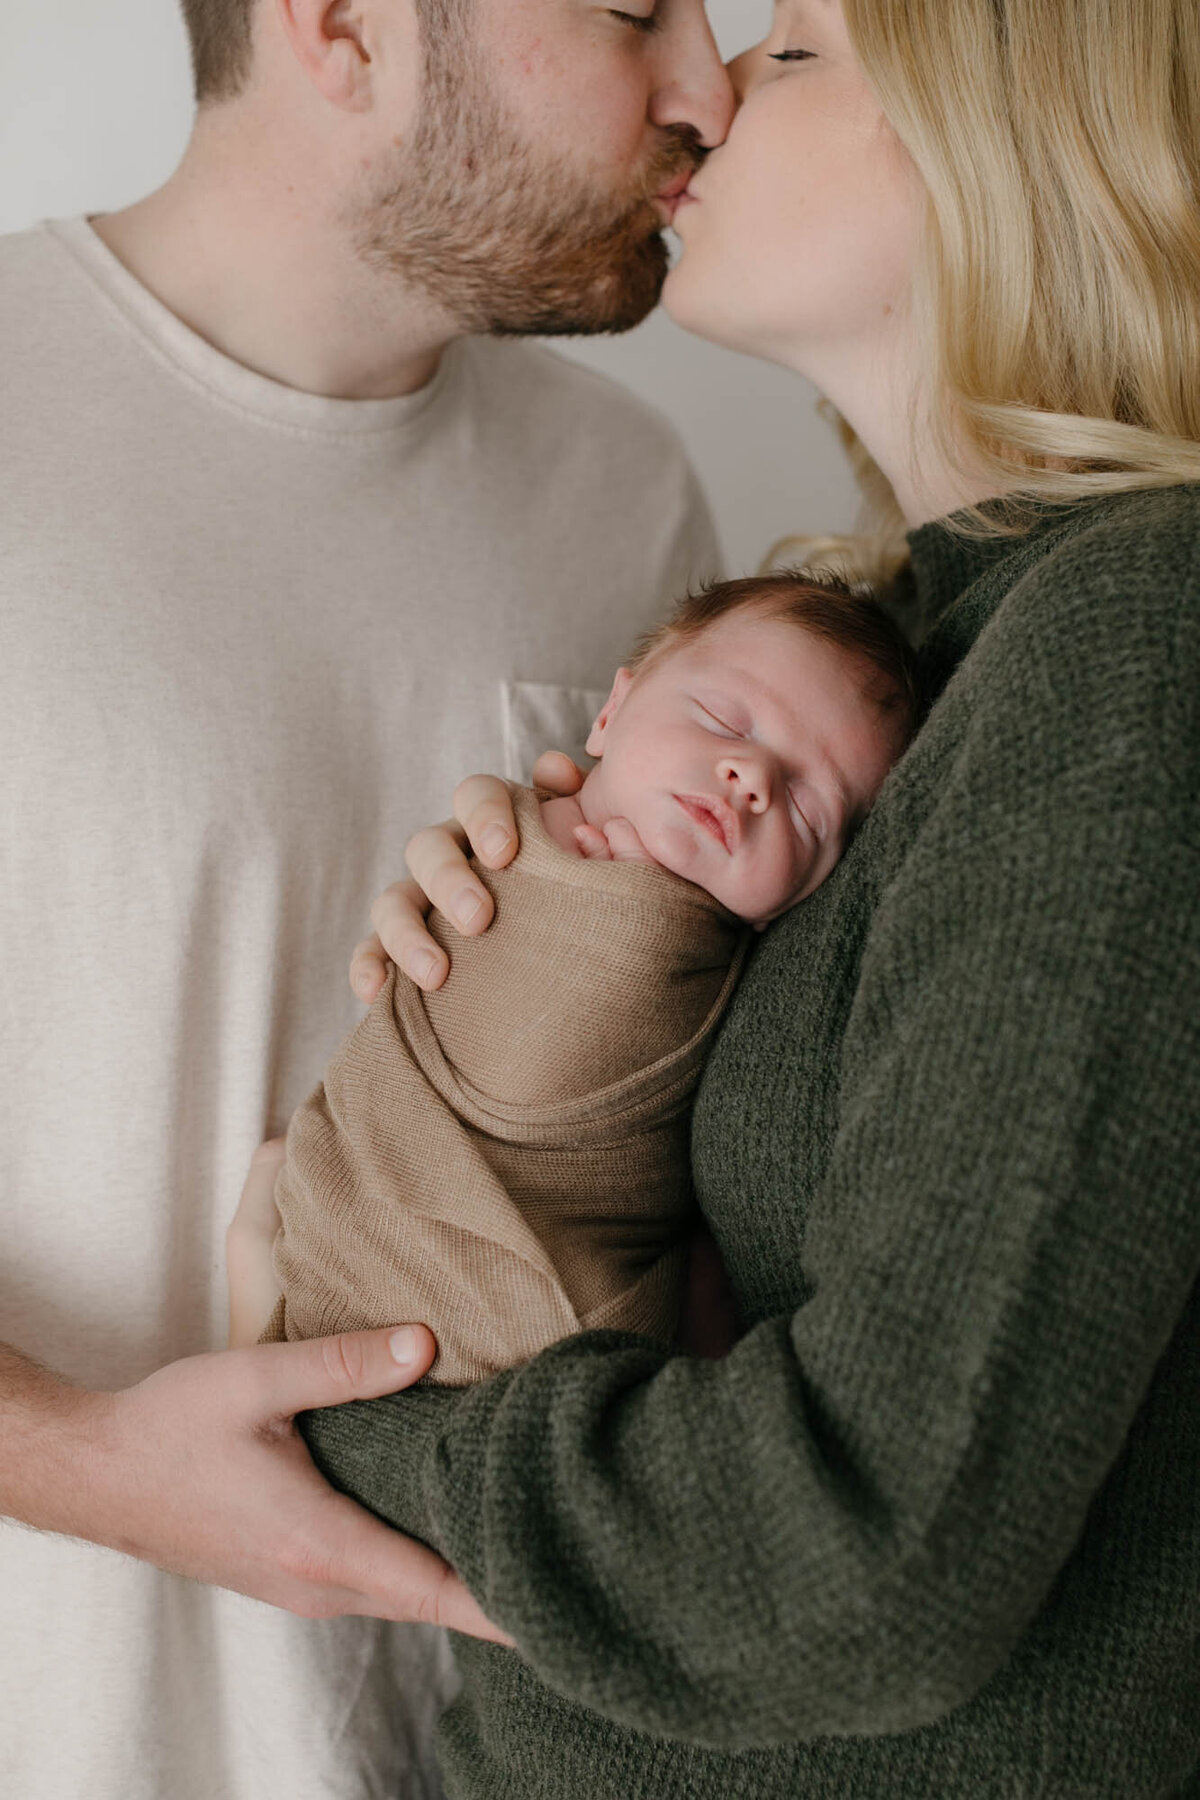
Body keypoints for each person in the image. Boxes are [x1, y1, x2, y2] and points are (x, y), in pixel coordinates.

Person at [296, 0, 1200, 1794]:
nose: (703, 90)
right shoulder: (930, 652)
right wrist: (545, 954)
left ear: (992, 152)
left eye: (795, 53)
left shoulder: (1136, 635)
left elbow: (869, 1565)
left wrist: (350, 1416)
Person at [0, 2, 736, 1796]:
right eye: (635, 7)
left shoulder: (628, 502)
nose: (708, 83)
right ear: (342, 26)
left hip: (480, 1754)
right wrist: (86, 1461)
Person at [227, 576, 918, 1370]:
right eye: (722, 719)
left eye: (808, 809)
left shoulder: (726, 962)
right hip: (349, 1250)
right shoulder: (499, 833)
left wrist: (623, 915)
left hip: (508, 1354)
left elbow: (541, 1063)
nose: (753, 778)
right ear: (610, 711)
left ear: (796, 903)